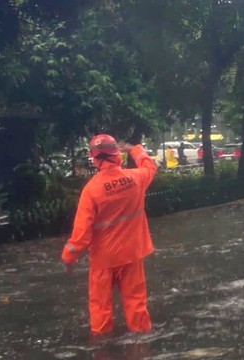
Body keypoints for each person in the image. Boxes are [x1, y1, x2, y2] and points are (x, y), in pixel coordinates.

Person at [61, 134, 157, 335]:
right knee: (136, 304)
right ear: (117, 154)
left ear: (94, 159)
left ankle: (102, 350)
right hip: (131, 255)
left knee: (100, 309)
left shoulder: (91, 190)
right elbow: (150, 166)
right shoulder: (135, 179)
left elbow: (81, 233)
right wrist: (133, 149)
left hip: (103, 260)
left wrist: (68, 257)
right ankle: (142, 346)